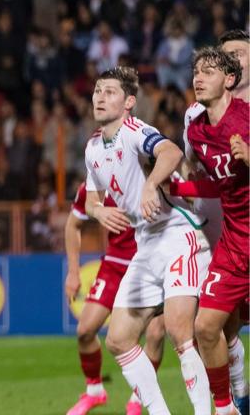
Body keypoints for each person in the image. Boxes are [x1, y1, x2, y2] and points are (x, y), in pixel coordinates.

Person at [83, 67, 210, 415]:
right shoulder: (93, 147)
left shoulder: (135, 130)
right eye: (97, 90)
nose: (100, 96)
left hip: (177, 235)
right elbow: (91, 199)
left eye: (110, 92)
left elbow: (170, 152)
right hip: (145, 245)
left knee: (179, 331)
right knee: (118, 338)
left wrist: (152, 184)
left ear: (129, 103)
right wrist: (98, 213)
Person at [179, 30, 250, 413]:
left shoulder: (248, 118)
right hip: (236, 242)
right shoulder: (197, 130)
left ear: (229, 79)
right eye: (196, 72)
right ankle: (225, 407)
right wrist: (176, 186)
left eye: (208, 71)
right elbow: (218, 184)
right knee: (205, 328)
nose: (198, 78)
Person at [63, 183, 165, 415]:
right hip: (115, 265)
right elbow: (73, 224)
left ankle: (137, 400)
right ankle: (95, 391)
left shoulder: (146, 178)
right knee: (85, 331)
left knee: (156, 333)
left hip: (151, 265)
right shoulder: (93, 187)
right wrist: (73, 271)